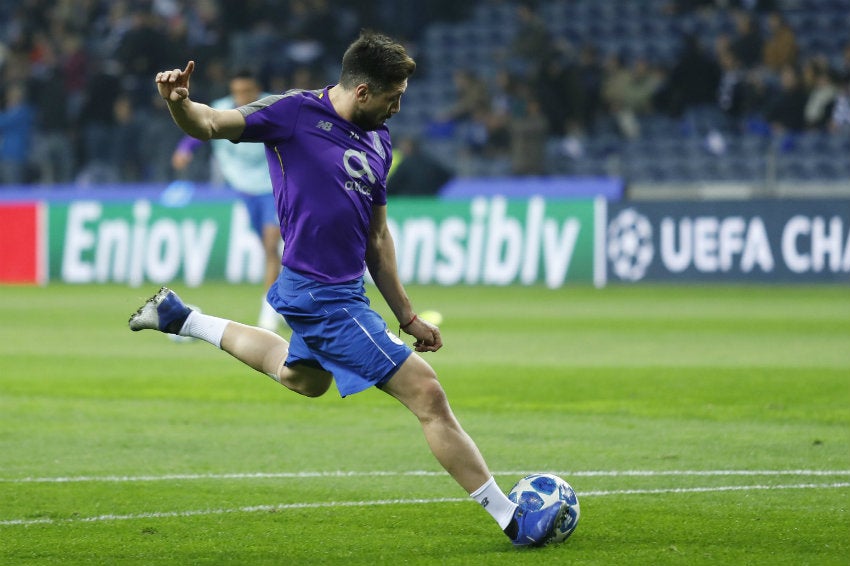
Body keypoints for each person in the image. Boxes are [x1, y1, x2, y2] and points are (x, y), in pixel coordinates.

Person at [129, 30, 564, 547]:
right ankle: (513, 519)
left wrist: (407, 317)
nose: (398, 107)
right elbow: (208, 123)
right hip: (320, 293)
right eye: (392, 96)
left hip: (342, 291)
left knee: (302, 379)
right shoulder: (292, 113)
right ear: (362, 91)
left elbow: (378, 237)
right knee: (427, 393)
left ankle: (183, 318)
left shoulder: (379, 140)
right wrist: (179, 103)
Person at [171, 70, 283, 331]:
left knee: (270, 245)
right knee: (270, 250)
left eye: (247, 92)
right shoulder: (220, 109)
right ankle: (287, 300)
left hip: (273, 187)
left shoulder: (274, 106)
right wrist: (184, 150)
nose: (242, 98)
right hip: (244, 189)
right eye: (237, 92)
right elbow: (198, 128)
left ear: (258, 91)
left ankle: (269, 309)